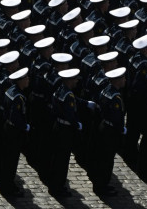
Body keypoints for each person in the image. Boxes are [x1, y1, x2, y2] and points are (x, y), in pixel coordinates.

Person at [49, 68, 95, 197]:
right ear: (69, 80)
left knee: (57, 158)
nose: (76, 81)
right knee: (62, 161)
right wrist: (77, 124)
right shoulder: (68, 95)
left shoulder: (61, 90)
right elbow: (70, 113)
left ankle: (55, 185)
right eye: (74, 79)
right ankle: (58, 188)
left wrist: (86, 103)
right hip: (65, 130)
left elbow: (75, 100)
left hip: (58, 126)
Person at [91, 67, 126, 196]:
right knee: (107, 159)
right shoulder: (116, 97)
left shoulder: (106, 90)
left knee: (102, 157)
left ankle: (99, 183)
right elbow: (117, 117)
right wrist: (121, 129)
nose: (125, 80)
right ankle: (102, 186)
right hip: (111, 130)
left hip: (103, 125)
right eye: (123, 78)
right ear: (117, 80)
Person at [0, 67, 30, 197]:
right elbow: (15, 116)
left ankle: (6, 183)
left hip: (7, 127)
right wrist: (24, 126)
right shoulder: (19, 97)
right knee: (11, 160)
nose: (28, 80)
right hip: (14, 131)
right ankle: (8, 187)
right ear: (20, 80)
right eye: (26, 78)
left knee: (7, 158)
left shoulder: (11, 91)